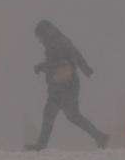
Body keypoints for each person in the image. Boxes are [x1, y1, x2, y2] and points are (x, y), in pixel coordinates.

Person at [25, 20, 109, 150]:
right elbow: (76, 54)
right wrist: (85, 69)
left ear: (45, 33)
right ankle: (100, 137)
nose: (40, 41)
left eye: (40, 37)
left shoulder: (56, 44)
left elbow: (61, 64)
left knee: (52, 114)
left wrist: (41, 66)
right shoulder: (60, 40)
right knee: (71, 116)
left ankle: (41, 145)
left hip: (63, 86)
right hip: (66, 85)